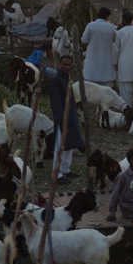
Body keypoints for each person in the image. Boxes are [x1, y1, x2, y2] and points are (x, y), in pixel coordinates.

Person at [50, 54, 85, 184]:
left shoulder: (67, 78)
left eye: (69, 65)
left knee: (69, 144)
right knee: (60, 145)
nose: (66, 67)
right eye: (64, 64)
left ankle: (65, 169)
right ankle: (57, 174)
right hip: (63, 118)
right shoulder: (56, 79)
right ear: (59, 65)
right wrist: (61, 119)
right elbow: (56, 102)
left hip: (71, 116)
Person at [81, 7, 117, 87]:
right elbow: (115, 40)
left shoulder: (90, 25)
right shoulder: (111, 28)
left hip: (91, 68)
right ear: (107, 17)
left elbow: (84, 40)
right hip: (106, 67)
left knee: (90, 91)